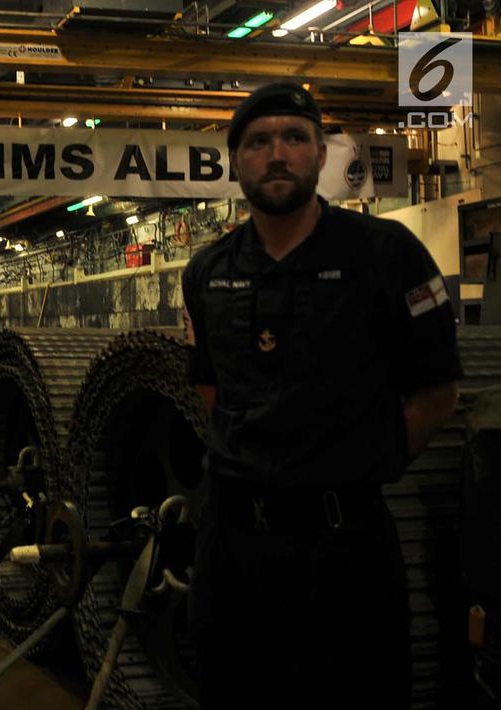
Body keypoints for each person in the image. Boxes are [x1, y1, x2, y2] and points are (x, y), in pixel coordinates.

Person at [182, 83, 462, 709]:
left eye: (294, 137)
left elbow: (437, 391)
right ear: (235, 161)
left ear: (320, 154)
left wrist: (363, 462)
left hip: (345, 550)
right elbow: (209, 388)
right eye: (258, 142)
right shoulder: (208, 271)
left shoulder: (385, 255)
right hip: (234, 551)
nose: (276, 154)